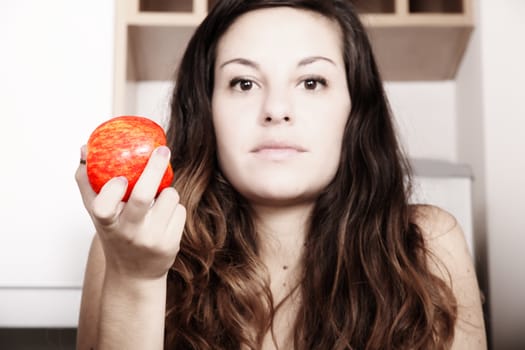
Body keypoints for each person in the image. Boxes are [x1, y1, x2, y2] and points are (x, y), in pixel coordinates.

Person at [75, 0, 487, 349]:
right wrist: (136, 278)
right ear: (207, 110)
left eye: (311, 82)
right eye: (243, 82)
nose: (276, 108)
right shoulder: (125, 245)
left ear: (354, 110)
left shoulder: (428, 245)